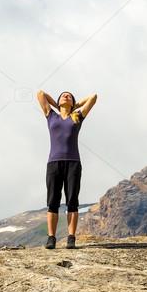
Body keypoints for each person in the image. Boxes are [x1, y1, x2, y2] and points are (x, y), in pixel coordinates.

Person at [36, 89, 97, 249]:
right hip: (54, 163)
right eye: (63, 95)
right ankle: (51, 238)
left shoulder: (76, 117)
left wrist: (76, 105)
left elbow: (93, 97)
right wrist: (57, 105)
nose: (66, 96)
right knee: (53, 202)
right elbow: (40, 93)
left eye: (69, 96)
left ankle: (71, 238)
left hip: (73, 163)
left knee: (72, 202)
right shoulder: (51, 115)